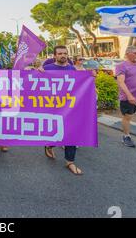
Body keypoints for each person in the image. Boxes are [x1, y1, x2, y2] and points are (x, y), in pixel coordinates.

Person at [43, 46, 83, 175]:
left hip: (69, 106)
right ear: (55, 55)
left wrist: (90, 76)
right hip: (52, 106)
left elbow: (80, 84)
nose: (63, 55)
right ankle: (49, 145)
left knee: (71, 133)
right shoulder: (47, 68)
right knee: (56, 131)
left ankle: (70, 162)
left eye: (65, 53)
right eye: (60, 53)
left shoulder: (72, 68)